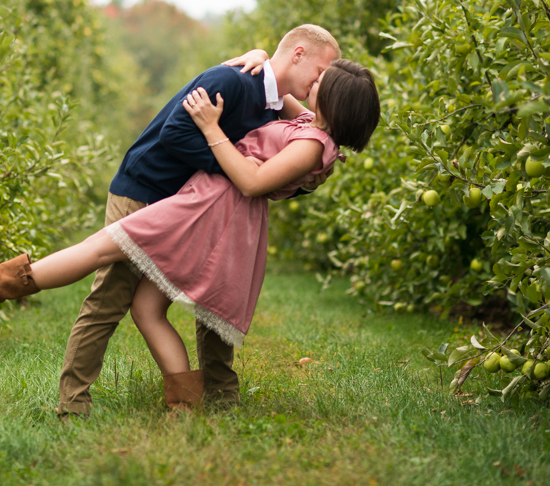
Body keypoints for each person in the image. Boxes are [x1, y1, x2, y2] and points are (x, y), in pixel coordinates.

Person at [0, 57, 380, 410]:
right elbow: (279, 87)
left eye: (324, 79)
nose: (315, 80)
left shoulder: (311, 146)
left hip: (208, 208)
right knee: (145, 307)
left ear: (337, 99)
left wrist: (212, 128)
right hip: (211, 205)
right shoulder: (310, 128)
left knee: (102, 247)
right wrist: (260, 56)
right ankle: (185, 405)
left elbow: (253, 182)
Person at [55, 23, 340, 416]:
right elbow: (176, 135)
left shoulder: (276, 101)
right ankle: (72, 403)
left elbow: (306, 145)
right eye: (323, 70)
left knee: (212, 294)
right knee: (111, 298)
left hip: (191, 204)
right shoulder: (236, 80)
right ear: (298, 54)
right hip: (146, 189)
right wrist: (235, 170)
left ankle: (216, 397)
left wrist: (303, 179)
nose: (324, 80)